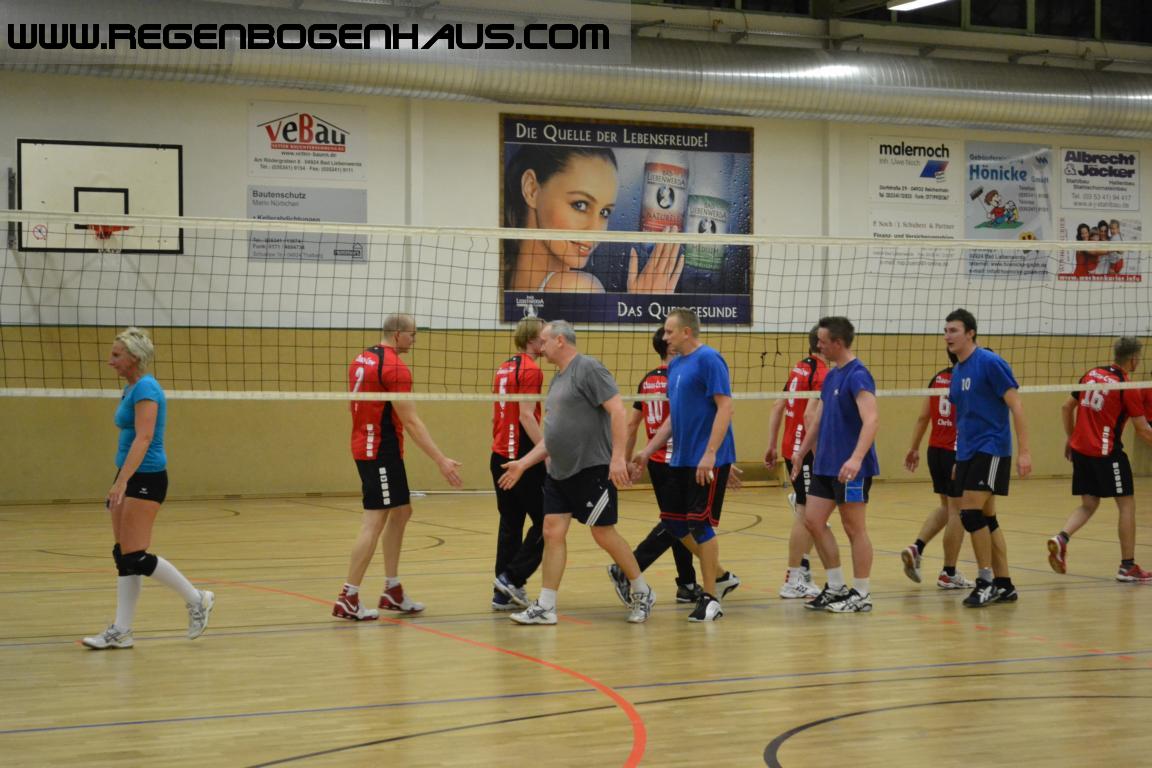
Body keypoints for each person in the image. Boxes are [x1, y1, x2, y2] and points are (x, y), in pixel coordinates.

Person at [498, 320, 654, 624]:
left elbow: (618, 411)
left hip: (591, 468)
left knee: (602, 533)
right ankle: (546, 606)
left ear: (559, 340)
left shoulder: (589, 369)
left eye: (544, 341)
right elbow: (553, 437)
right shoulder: (557, 379)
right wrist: (523, 463)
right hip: (559, 472)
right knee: (551, 532)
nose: (541, 347)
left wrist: (617, 458)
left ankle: (642, 590)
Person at [82, 327, 214, 650]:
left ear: (134, 357)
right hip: (128, 474)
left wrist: (122, 482)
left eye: (116, 355)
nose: (110, 361)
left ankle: (197, 598)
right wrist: (120, 478)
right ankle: (122, 630)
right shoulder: (130, 388)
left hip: (147, 477)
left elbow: (144, 438)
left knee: (136, 555)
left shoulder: (146, 388)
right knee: (124, 556)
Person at [333, 313, 463, 621]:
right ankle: (348, 596)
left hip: (370, 443)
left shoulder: (363, 358)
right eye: (412, 334)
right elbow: (412, 421)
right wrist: (441, 460)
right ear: (397, 335)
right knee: (374, 520)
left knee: (402, 511)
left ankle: (392, 590)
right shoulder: (394, 367)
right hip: (379, 449)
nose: (414, 340)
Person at [634, 309, 741, 622]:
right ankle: (721, 577)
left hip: (705, 460)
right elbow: (673, 418)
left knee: (700, 524)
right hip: (680, 458)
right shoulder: (676, 365)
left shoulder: (710, 359)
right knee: (674, 523)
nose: (665, 337)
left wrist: (711, 454)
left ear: (686, 332)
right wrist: (647, 450)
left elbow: (725, 407)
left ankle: (710, 597)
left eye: (669, 331)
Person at [502, 145, 682, 294]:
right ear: (532, 189)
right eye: (580, 205)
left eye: (604, 212)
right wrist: (642, 305)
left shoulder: (507, 275)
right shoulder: (580, 287)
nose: (596, 231)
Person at [607, 327, 703, 606]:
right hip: (677, 461)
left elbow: (632, 424)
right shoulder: (681, 377)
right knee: (676, 522)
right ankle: (627, 567)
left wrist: (627, 460)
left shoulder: (647, 380)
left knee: (679, 522)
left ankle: (687, 583)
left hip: (657, 464)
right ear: (671, 347)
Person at [791, 316, 879, 614]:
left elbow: (872, 420)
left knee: (854, 528)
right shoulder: (831, 376)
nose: (818, 346)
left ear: (838, 343)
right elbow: (818, 419)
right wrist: (801, 452)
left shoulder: (858, 375)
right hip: (825, 465)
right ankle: (836, 586)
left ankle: (862, 593)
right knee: (813, 520)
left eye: (822, 341)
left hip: (851, 469)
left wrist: (856, 458)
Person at [945, 308, 1031, 608]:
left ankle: (985, 581)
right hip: (968, 452)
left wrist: (1024, 451)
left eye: (954, 330)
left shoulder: (990, 362)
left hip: (991, 448)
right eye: (946, 331)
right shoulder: (957, 371)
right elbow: (963, 418)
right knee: (987, 517)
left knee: (970, 513)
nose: (948, 336)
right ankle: (1005, 584)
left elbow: (1016, 405)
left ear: (970, 333)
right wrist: (958, 457)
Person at [1048, 337, 1152, 583]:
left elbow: (1066, 407)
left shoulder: (1091, 374)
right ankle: (1127, 566)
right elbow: (1143, 430)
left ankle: (1061, 538)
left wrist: (1072, 437)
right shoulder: (1126, 386)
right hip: (1106, 454)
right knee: (1126, 504)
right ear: (1133, 359)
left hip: (1081, 451)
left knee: (1089, 503)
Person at [899, 351, 974, 590]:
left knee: (946, 507)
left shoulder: (938, 378)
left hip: (935, 451)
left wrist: (913, 448)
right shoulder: (967, 380)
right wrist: (962, 456)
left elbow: (924, 417)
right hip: (955, 452)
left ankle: (917, 547)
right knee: (957, 512)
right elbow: (967, 420)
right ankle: (948, 573)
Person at [763, 325, 825, 599]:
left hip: (791, 448)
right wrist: (822, 455)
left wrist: (771, 444)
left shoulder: (800, 367)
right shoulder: (821, 373)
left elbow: (778, 405)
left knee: (813, 512)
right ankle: (793, 578)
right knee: (807, 513)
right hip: (806, 452)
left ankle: (803, 569)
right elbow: (811, 417)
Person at [490, 317, 547, 611]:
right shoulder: (531, 369)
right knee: (548, 521)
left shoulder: (504, 367)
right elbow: (526, 416)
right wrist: (546, 451)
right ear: (532, 340)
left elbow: (498, 415)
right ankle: (512, 577)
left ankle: (502, 591)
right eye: (543, 337)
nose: (547, 342)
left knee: (510, 523)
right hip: (522, 457)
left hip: (499, 454)